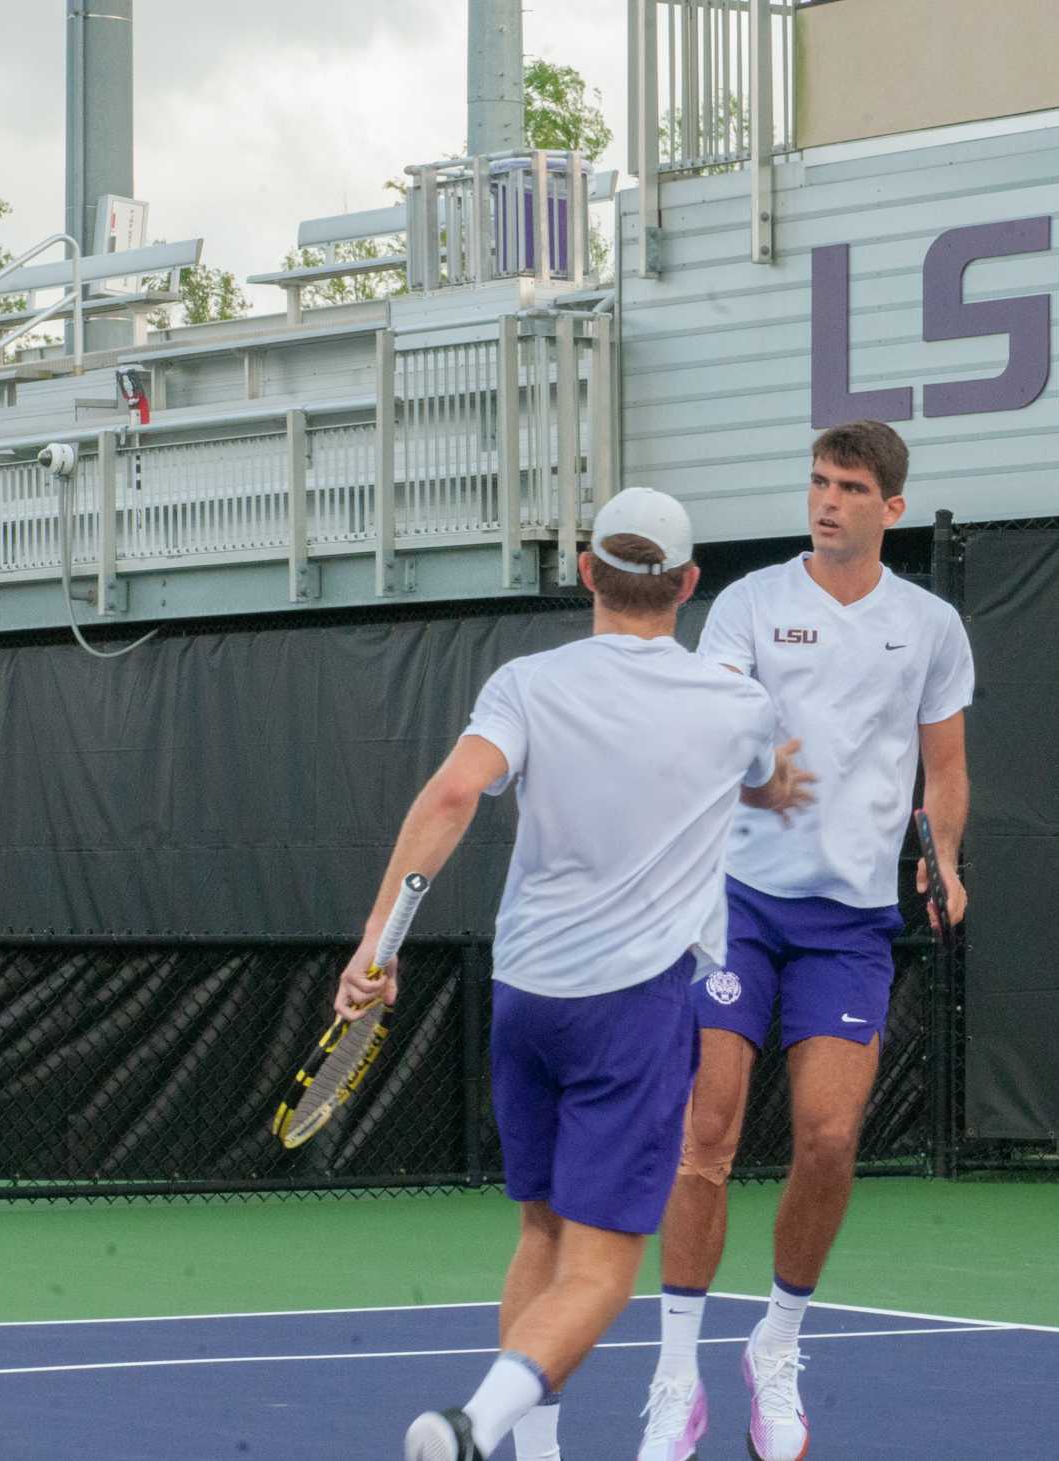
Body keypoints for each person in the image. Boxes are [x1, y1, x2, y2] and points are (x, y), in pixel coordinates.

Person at [334, 488, 815, 1461]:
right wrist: (777, 783)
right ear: (687, 586)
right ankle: (473, 1424)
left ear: (587, 571)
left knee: (539, 1233)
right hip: (629, 1012)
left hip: (525, 1002)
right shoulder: (738, 705)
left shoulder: (525, 685)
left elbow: (455, 791)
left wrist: (379, 944)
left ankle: (535, 1452)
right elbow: (765, 777)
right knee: (600, 1272)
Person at [638, 420, 975, 1461]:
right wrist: (751, 772)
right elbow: (715, 729)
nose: (826, 501)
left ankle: (774, 1347)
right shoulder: (746, 605)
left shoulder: (929, 626)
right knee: (710, 1132)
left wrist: (946, 855)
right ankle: (672, 1371)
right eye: (818, 482)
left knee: (829, 1140)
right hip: (737, 901)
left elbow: (945, 771)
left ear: (891, 509)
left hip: (850, 925)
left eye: (849, 487)